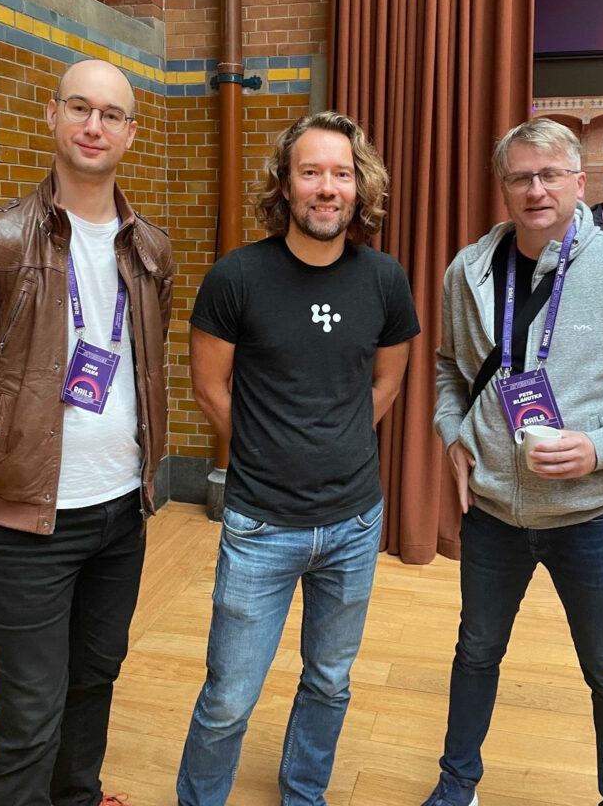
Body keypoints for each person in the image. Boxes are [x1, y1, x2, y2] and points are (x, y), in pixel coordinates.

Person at [422, 119, 603, 806]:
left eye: (550, 174)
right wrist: (451, 430)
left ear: (580, 183)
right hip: (493, 514)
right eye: (520, 176)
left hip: (591, 519)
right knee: (476, 653)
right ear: (504, 188)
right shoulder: (471, 271)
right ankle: (458, 785)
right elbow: (448, 369)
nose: (535, 188)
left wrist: (601, 445)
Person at [177, 111, 420, 806]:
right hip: (260, 527)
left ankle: (303, 794)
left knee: (329, 681)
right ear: (285, 185)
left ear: (359, 186)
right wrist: (268, 448)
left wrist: (335, 441)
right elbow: (209, 387)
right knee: (228, 697)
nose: (326, 187)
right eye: (310, 172)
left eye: (340, 174)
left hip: (353, 523)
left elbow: (387, 383)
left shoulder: (384, 279)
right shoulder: (236, 277)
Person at [0, 59, 173, 806]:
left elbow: (145, 365)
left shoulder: (150, 249)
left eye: (111, 114)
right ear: (52, 116)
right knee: (28, 714)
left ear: (131, 133)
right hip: (27, 523)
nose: (93, 126)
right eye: (80, 108)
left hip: (120, 512)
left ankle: (77, 798)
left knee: (95, 681)